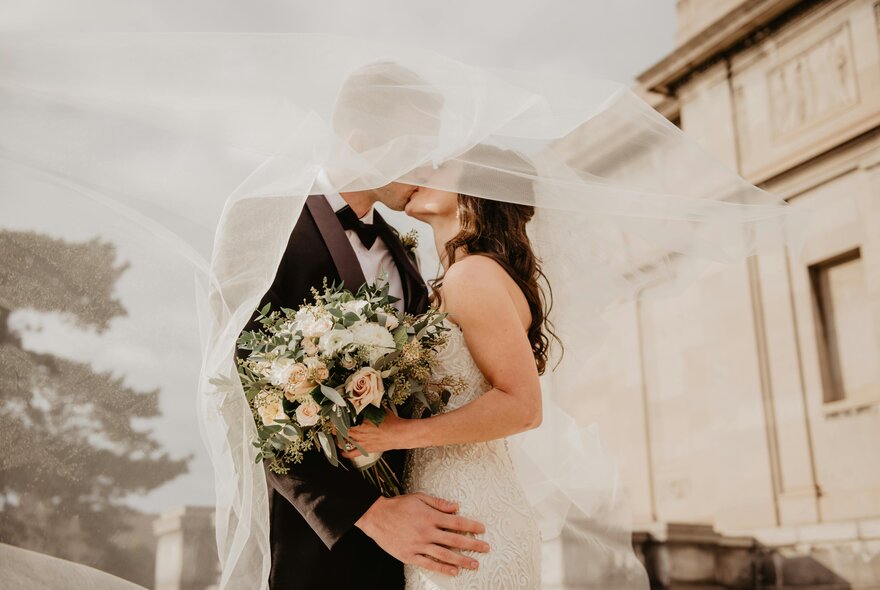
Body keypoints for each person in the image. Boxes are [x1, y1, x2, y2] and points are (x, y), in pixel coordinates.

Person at [238, 63, 490, 590]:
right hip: (319, 543)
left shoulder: (405, 255)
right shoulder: (263, 223)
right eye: (417, 148)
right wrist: (372, 514)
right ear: (361, 141)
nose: (429, 166)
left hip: (420, 539)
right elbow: (249, 393)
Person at [343, 159, 552, 588]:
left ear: (475, 189)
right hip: (447, 512)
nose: (420, 170)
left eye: (441, 167)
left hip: (470, 516)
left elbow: (524, 406)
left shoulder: (472, 275)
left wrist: (396, 434)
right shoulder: (454, 278)